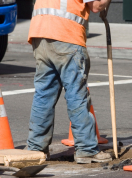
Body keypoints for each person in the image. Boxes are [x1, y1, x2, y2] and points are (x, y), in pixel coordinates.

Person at [26, 0, 112, 163]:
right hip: (65, 34)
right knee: (76, 94)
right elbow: (96, 6)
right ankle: (86, 149)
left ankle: (36, 148)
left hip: (40, 32)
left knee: (43, 94)